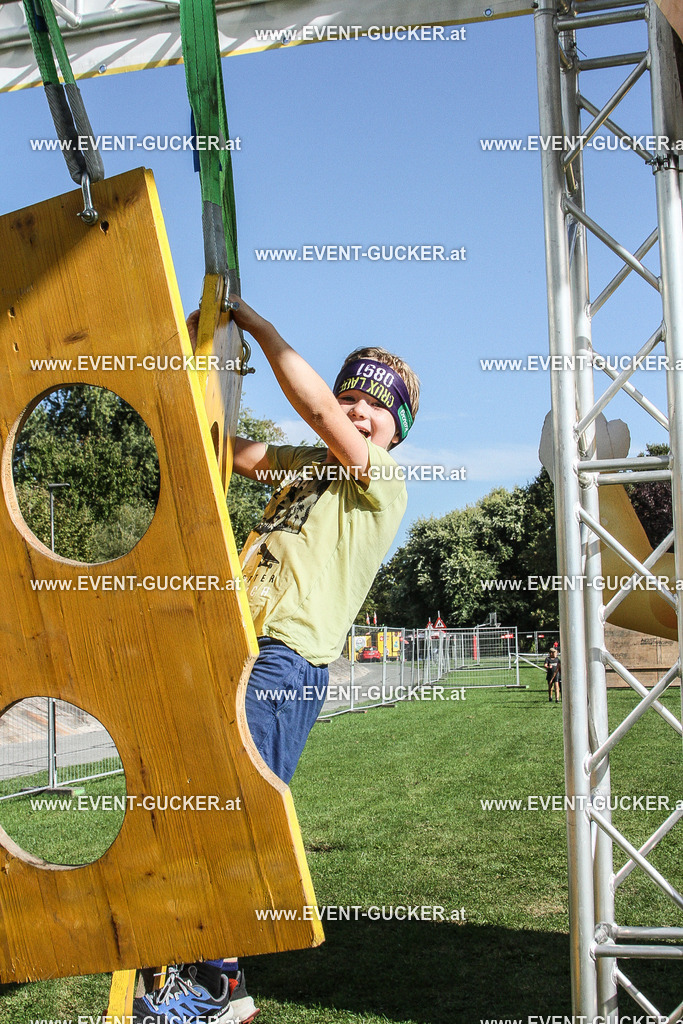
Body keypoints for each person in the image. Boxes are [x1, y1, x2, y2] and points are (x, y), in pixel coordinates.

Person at [133, 297, 420, 1024]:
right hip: (239, 643)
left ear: (396, 432)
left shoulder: (380, 479)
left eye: (374, 408)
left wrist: (258, 329)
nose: (357, 413)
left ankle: (219, 983)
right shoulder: (302, 467)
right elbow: (219, 449)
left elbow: (316, 409)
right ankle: (200, 968)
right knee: (201, 797)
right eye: (350, 397)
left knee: (233, 806)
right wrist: (193, 362)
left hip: (287, 662)